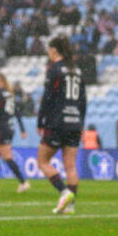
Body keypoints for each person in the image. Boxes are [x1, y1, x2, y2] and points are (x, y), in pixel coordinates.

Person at [36, 35, 87, 214]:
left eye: (49, 50)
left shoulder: (54, 69)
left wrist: (40, 120)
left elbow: (48, 96)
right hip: (75, 122)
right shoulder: (77, 70)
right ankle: (71, 206)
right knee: (70, 166)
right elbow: (83, 101)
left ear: (54, 50)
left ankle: (64, 192)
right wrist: (81, 123)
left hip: (57, 121)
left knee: (42, 161)